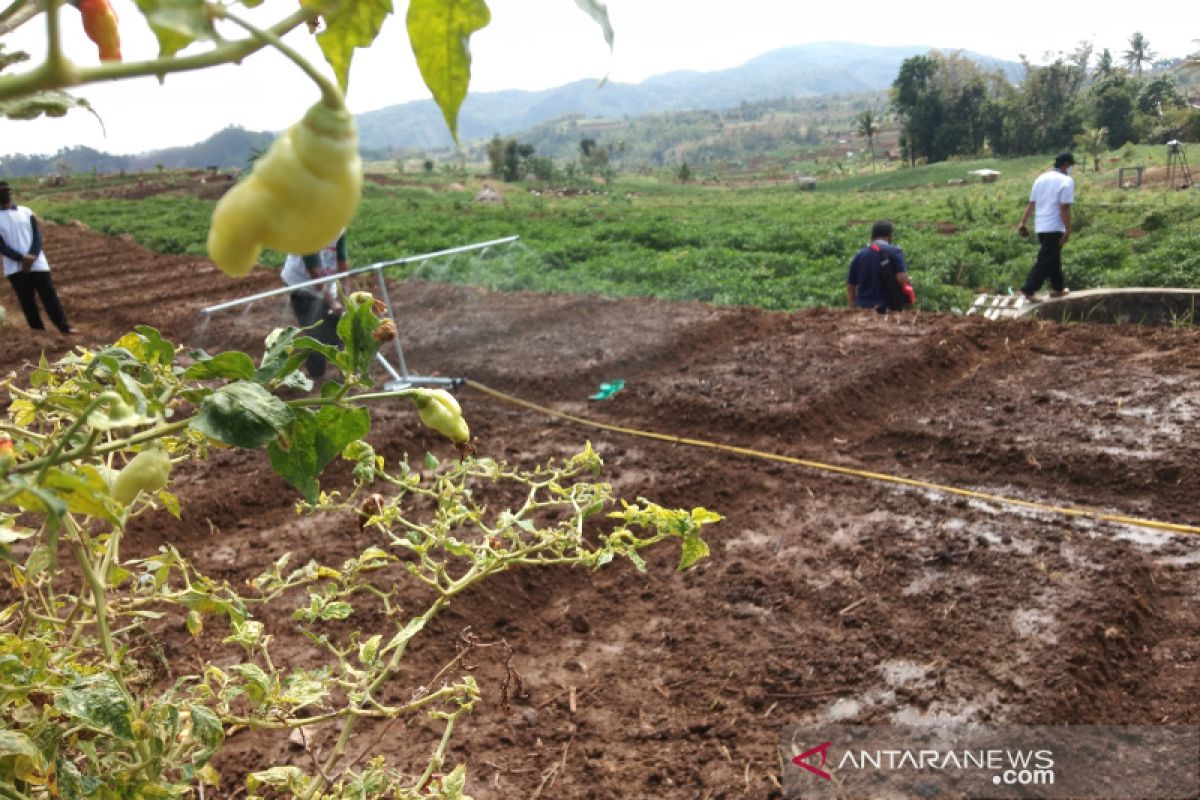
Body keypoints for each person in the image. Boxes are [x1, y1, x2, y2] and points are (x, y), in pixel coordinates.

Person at [0, 181, 75, 335]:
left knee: (49, 294)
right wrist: (21, 258)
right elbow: (1, 246)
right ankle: (38, 330)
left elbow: (37, 236)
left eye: (6, 192)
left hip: (38, 262)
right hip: (15, 266)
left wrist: (32, 256)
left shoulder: (26, 212)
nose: (5, 195)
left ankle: (64, 327)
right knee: (26, 299)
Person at [282, 230, 349, 380]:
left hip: (326, 281)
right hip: (301, 285)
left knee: (341, 330)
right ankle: (316, 377)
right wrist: (332, 302)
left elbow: (342, 263)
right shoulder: (310, 228)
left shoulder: (339, 227)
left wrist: (345, 297)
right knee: (316, 333)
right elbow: (314, 272)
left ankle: (346, 373)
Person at [1017, 152, 1075, 303]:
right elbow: (1064, 208)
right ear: (1065, 165)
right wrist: (1068, 230)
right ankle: (1029, 289)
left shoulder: (1041, 178)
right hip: (1054, 226)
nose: (1071, 169)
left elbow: (1031, 203)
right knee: (1045, 260)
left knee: (1053, 258)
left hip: (1041, 226)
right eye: (1070, 165)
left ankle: (1058, 288)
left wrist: (1023, 222)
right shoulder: (1066, 181)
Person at [847, 219, 913, 313]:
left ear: (872, 236)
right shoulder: (895, 251)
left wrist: (853, 309)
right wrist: (908, 280)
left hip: (863, 308)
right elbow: (901, 279)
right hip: (887, 308)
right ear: (890, 235)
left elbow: (850, 287)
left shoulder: (858, 256)